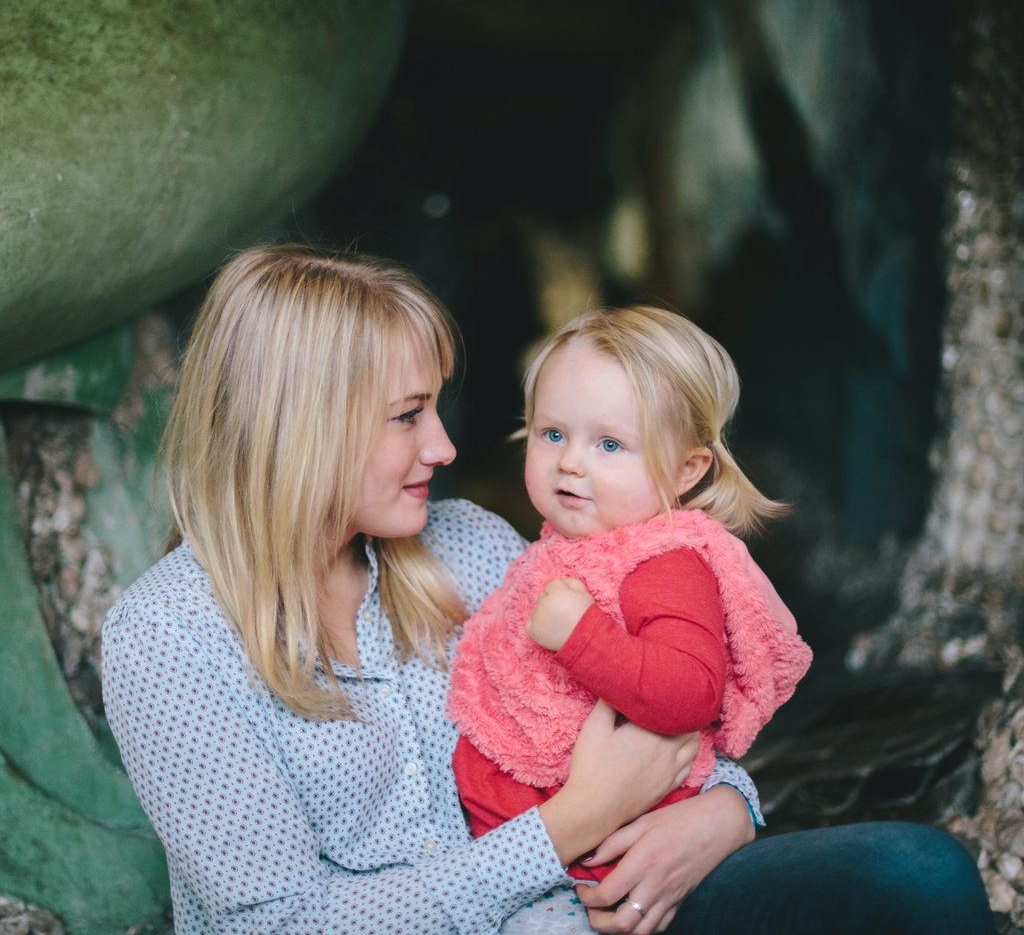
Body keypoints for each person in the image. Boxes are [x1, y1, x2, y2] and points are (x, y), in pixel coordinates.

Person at [101, 243, 995, 935]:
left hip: (589, 907)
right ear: (301, 429)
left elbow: (660, 709)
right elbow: (281, 925)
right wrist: (568, 827)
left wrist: (724, 817)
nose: (446, 449)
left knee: (917, 876)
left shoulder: (479, 548)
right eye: (409, 417)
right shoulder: (167, 636)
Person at [447, 306, 813, 891]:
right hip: (532, 848)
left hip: (613, 859)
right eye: (553, 434)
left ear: (687, 469)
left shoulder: (663, 562)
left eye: (610, 444)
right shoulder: (564, 546)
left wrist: (581, 636)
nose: (570, 461)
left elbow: (691, 694)